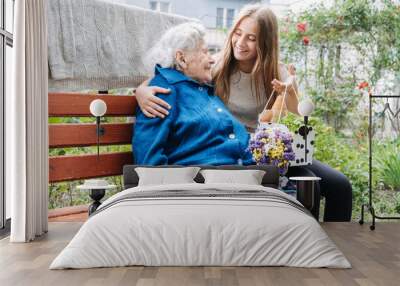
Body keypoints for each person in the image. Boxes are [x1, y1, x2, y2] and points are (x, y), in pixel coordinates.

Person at [134, 4, 352, 222]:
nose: (240, 42)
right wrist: (141, 90)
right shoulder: (217, 65)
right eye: (238, 34)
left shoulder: (273, 69)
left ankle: (325, 248)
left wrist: (290, 88)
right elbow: (167, 75)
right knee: (308, 184)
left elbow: (296, 108)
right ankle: (308, 245)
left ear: (264, 43)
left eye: (251, 38)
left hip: (264, 149)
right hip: (243, 156)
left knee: (336, 186)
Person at [132, 22, 254, 166]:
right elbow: (149, 162)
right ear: (182, 59)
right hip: (204, 183)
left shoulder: (201, 88)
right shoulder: (162, 92)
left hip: (241, 177)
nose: (212, 59)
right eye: (205, 52)